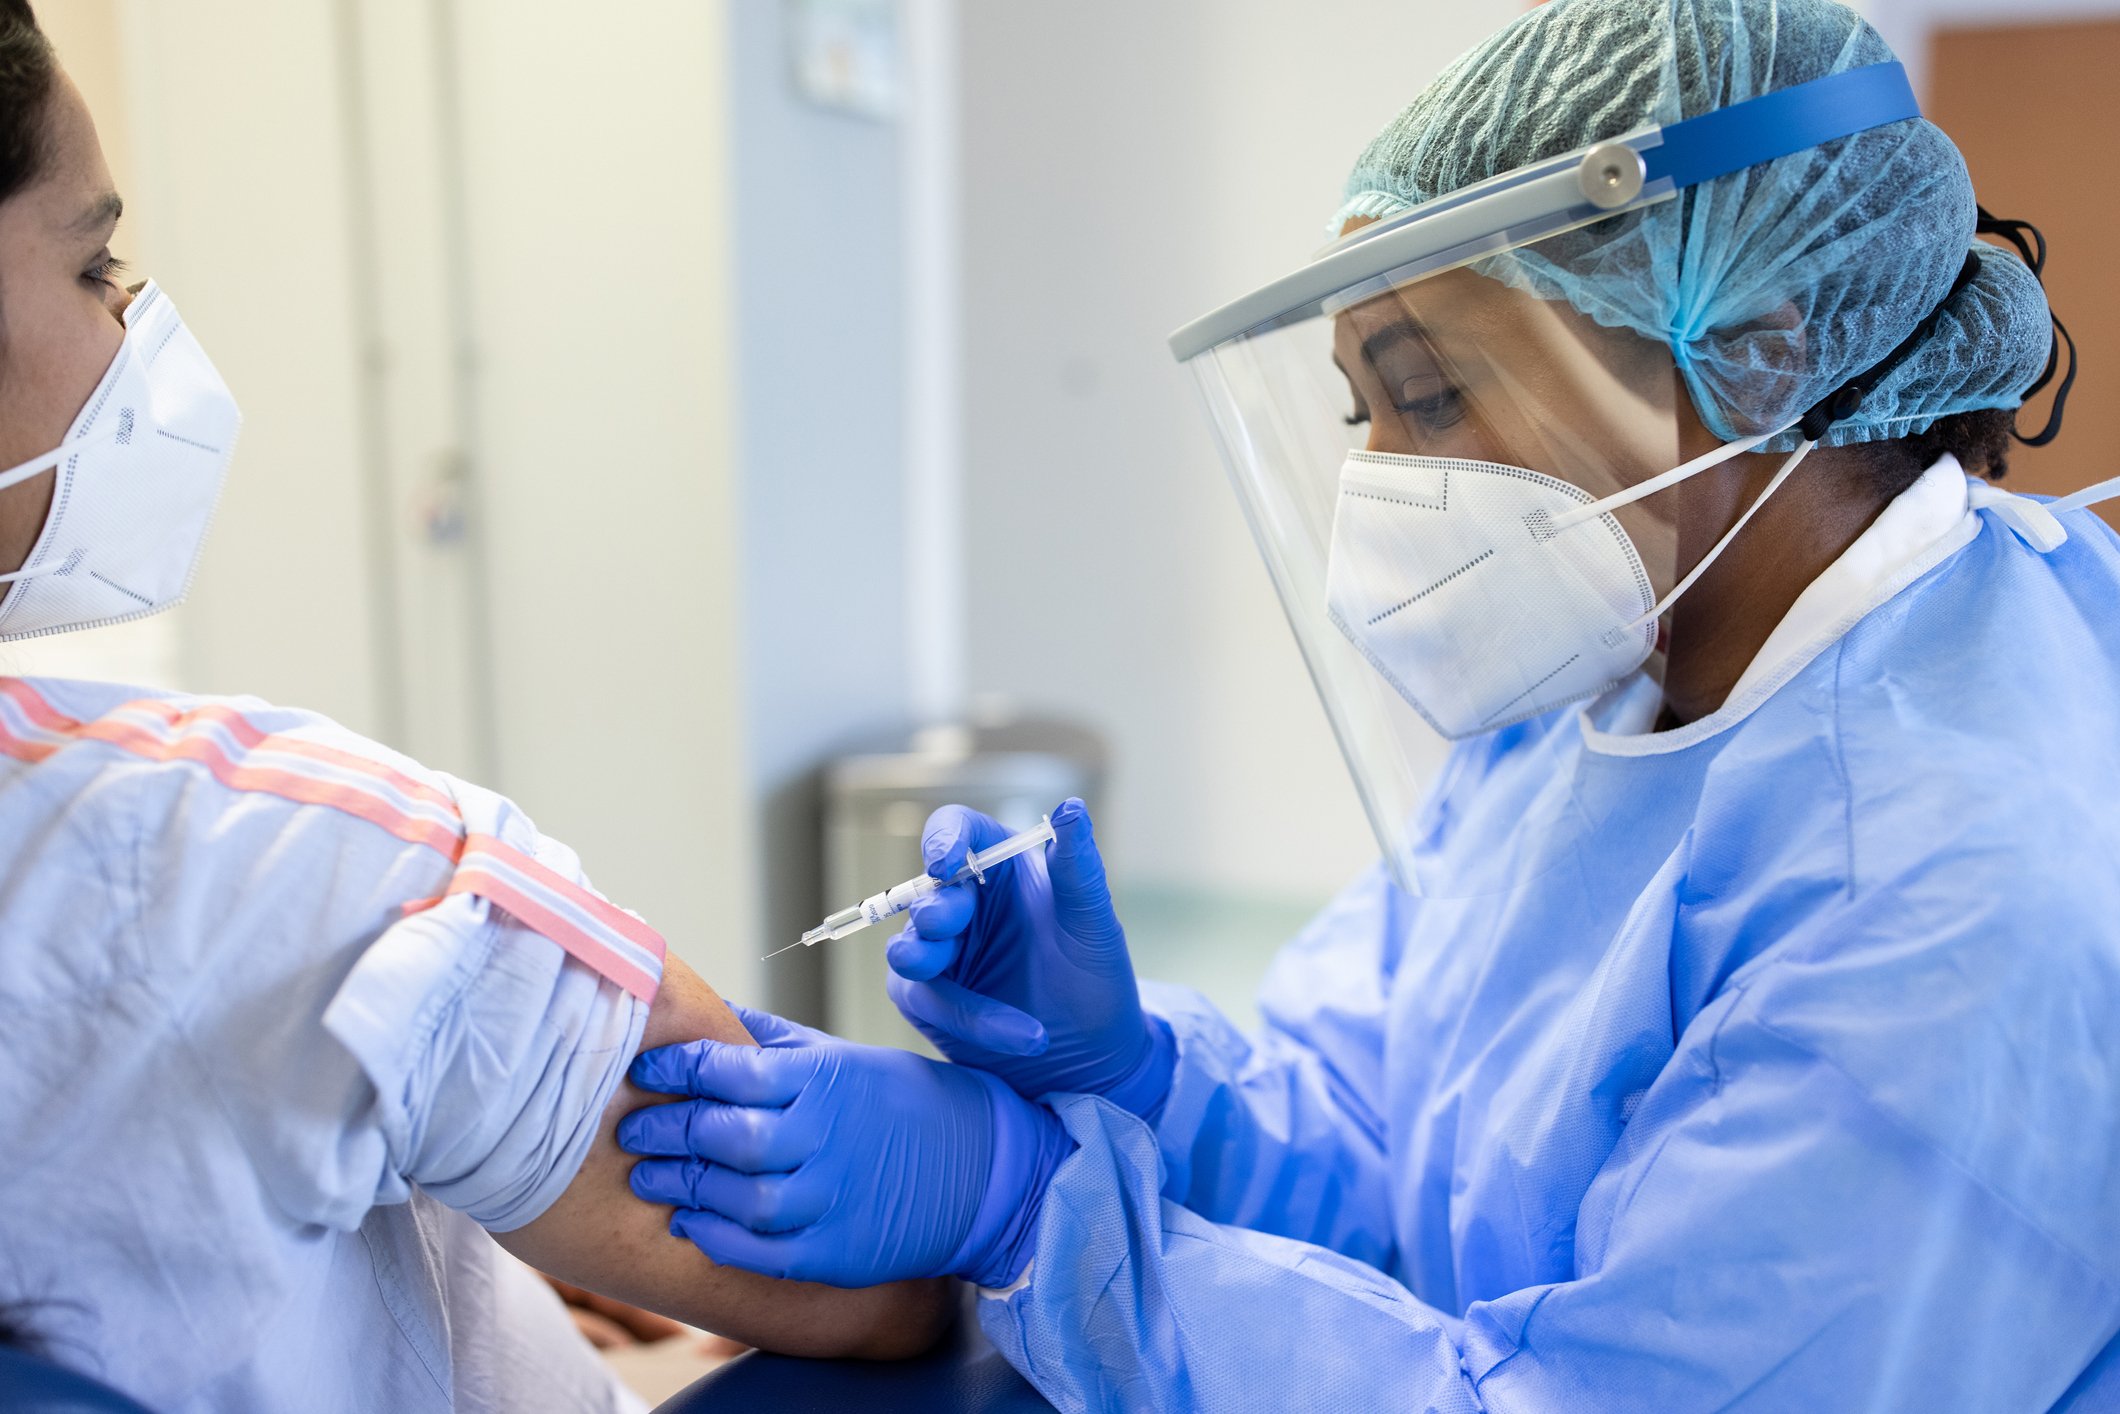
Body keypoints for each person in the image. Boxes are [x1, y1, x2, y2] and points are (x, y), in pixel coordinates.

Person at [614, 0, 2120, 1408]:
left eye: (1432, 393)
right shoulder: (1616, 673)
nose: (1388, 483)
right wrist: (1141, 1068)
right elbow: (1402, 1156)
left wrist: (1027, 1219)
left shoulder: (1950, 895)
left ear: (1760, 350)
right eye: (1364, 410)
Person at [0, 5, 952, 1410]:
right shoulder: (261, 864)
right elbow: (884, 1281)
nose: (135, 328)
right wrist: (1029, 1133)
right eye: (96, 263)